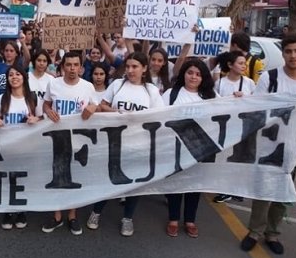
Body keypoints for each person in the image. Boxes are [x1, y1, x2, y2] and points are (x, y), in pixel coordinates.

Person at [241, 32, 296, 255]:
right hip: (271, 144)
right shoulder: (270, 77)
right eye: (288, 51)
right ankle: (254, 231)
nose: (293, 56)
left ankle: (272, 233)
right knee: (264, 190)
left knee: (284, 192)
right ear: (283, 53)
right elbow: (257, 109)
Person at [86, 52, 164, 235]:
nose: (130, 70)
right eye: (128, 66)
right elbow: (102, 106)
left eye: (135, 66)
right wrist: (115, 112)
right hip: (114, 142)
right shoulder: (117, 84)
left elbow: (160, 117)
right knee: (107, 179)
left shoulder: (151, 91)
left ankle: (127, 218)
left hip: (139, 146)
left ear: (144, 68)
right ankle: (96, 212)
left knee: (134, 183)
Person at [41, 51, 98, 236]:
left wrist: (92, 107)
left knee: (75, 178)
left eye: (76, 65)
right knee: (57, 177)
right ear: (62, 66)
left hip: (79, 141)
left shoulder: (88, 86)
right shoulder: (53, 84)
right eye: (68, 65)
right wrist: (48, 111)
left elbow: (95, 105)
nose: (72, 69)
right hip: (57, 139)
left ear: (81, 67)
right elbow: (46, 105)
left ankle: (72, 215)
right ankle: (57, 215)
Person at [162, 59, 217, 238]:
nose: (193, 77)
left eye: (198, 74)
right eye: (190, 72)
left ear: (203, 78)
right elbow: (158, 117)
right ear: (183, 74)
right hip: (176, 147)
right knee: (176, 184)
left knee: (194, 185)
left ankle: (190, 220)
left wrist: (238, 98)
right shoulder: (171, 94)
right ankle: (173, 219)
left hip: (202, 149)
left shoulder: (211, 96)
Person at [0, 66, 42, 230]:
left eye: (17, 74)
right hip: (6, 147)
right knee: (7, 179)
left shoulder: (32, 98)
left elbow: (42, 117)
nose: (14, 77)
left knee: (23, 179)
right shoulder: (2, 98)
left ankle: (21, 210)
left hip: (26, 147)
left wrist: (36, 119)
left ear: (24, 77)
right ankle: (7, 210)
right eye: (11, 75)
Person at [212, 50, 256, 203]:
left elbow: (257, 102)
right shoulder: (220, 83)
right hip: (225, 127)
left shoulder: (249, 83)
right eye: (240, 63)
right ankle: (224, 188)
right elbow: (214, 103)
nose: (244, 66)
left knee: (241, 157)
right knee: (225, 157)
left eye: (245, 63)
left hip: (244, 127)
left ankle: (237, 188)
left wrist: (245, 98)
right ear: (230, 65)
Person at [0, 36, 31, 104]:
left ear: (16, 53)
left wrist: (23, 43)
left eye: (11, 51)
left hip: (13, 103)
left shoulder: (19, 67)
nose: (8, 53)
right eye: (6, 50)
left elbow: (27, 59)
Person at [28, 49, 54, 117]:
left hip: (45, 120)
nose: (41, 63)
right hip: (28, 118)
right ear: (34, 61)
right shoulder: (26, 77)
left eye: (44, 61)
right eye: (39, 60)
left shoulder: (51, 80)